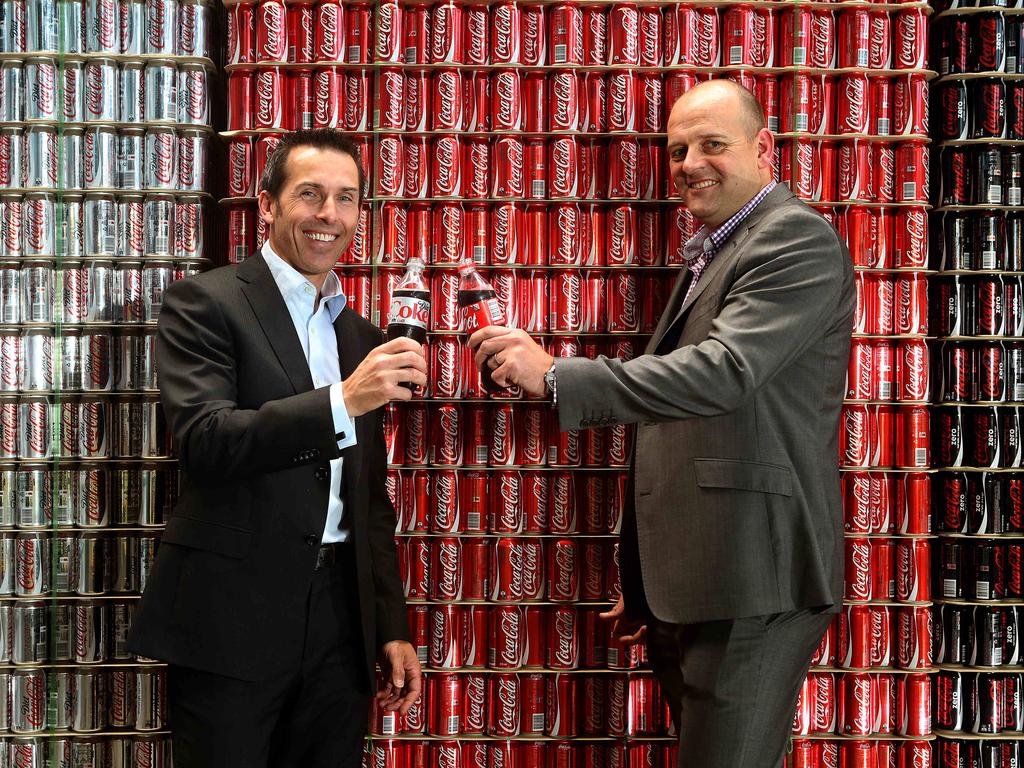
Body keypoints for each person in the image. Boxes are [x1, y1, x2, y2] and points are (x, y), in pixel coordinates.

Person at [470, 79, 855, 767]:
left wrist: (557, 375)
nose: (689, 163)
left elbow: (721, 373)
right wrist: (653, 579)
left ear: (764, 149)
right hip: (707, 579)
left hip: (755, 576)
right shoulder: (720, 245)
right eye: (678, 149)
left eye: (713, 145)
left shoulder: (795, 237)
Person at [129, 129, 426, 768]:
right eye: (310, 194)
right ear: (267, 205)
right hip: (231, 613)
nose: (329, 215)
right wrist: (341, 401)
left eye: (346, 200)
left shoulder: (361, 335)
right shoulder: (205, 302)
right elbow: (206, 441)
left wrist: (390, 624)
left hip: (341, 626)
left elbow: (367, 501)